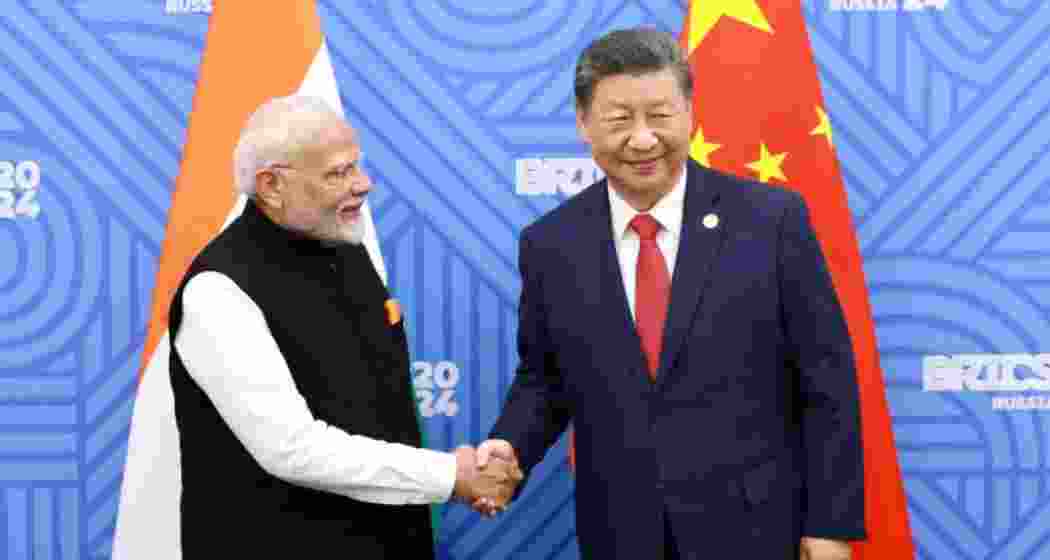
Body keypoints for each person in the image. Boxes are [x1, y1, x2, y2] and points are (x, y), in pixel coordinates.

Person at [475, 28, 865, 559]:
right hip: (621, 532)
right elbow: (544, 378)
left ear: (689, 114)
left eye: (659, 116)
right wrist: (507, 447)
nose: (642, 139)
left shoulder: (771, 220)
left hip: (755, 529)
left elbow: (827, 380)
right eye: (619, 120)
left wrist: (830, 524)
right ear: (583, 124)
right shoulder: (551, 244)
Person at [167, 94, 521, 558]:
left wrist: (470, 474)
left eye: (358, 167)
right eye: (340, 173)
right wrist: (451, 475)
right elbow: (291, 448)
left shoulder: (344, 246)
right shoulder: (219, 288)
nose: (364, 184)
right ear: (271, 185)